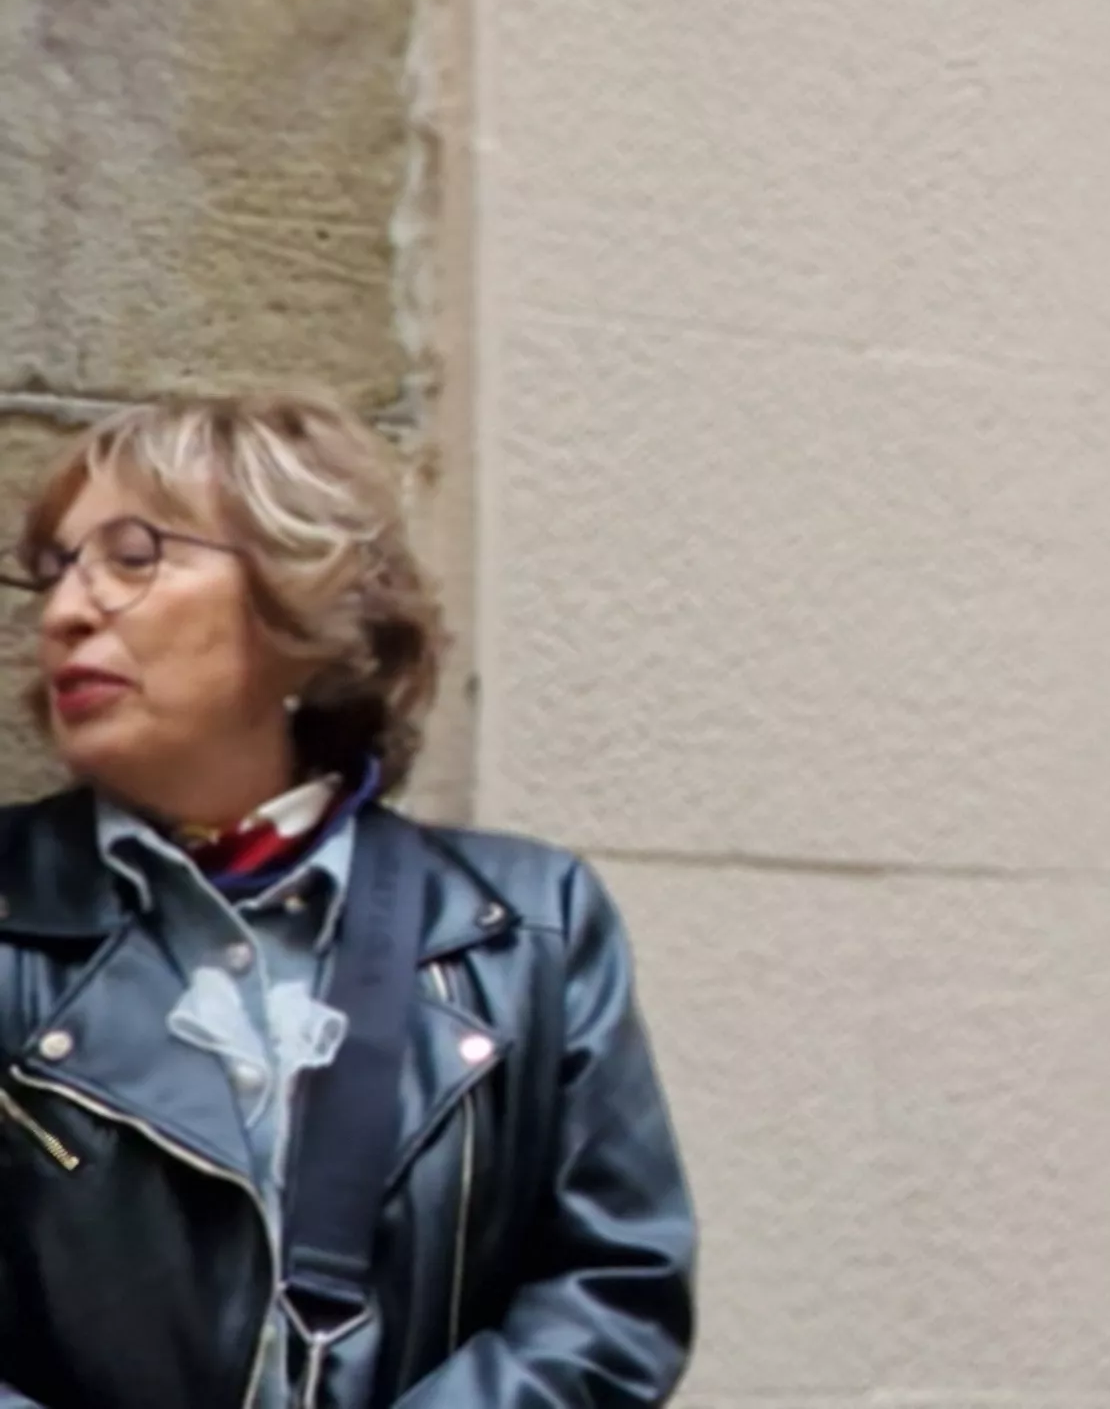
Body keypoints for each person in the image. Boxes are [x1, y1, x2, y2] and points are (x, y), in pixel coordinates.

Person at [0, 394, 693, 1408]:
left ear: (301, 597)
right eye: (56, 570)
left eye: (135, 555)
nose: (66, 612)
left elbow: (612, 1292)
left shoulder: (531, 927)